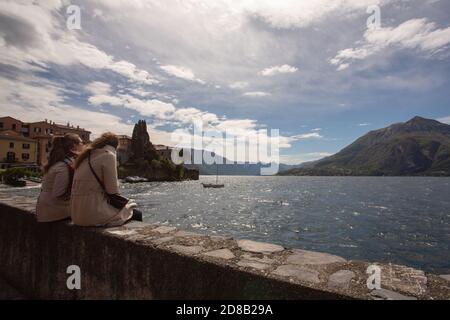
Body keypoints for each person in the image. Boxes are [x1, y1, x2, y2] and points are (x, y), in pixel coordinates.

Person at [70, 132, 142, 227]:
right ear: (115, 146)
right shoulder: (108, 155)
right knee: (136, 213)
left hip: (76, 214)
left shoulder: (85, 157)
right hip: (91, 213)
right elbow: (112, 190)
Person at [36, 133, 84, 222]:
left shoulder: (59, 163)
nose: (83, 145)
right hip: (54, 211)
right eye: (81, 143)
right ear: (74, 146)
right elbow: (58, 194)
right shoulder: (64, 166)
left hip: (46, 208)